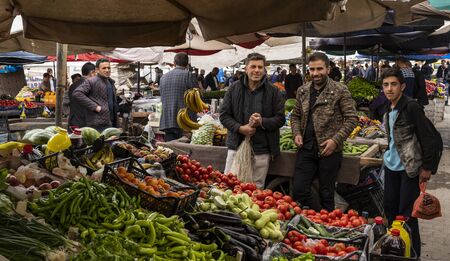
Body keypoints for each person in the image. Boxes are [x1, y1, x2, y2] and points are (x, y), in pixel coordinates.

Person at [381, 68, 440, 258]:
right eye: (386, 85)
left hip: (410, 169)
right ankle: (395, 249)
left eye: (394, 84)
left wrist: (427, 167)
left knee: (407, 216)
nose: (389, 89)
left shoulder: (411, 107)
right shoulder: (388, 107)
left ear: (402, 86)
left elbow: (429, 138)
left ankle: (413, 254)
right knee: (390, 210)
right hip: (391, 167)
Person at [291, 52, 357, 211]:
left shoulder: (340, 90)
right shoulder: (303, 90)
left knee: (327, 193)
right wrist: (296, 133)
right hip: (306, 148)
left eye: (319, 69)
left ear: (328, 69)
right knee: (299, 190)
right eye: (312, 69)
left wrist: (335, 141)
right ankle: (318, 216)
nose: (315, 73)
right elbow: (295, 116)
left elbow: (351, 118)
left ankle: (326, 224)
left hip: (329, 150)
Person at [220, 53, 285, 188]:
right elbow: (224, 115)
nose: (257, 70)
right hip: (236, 146)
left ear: (264, 69)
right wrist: (240, 128)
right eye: (253, 66)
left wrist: (262, 121)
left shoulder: (274, 91)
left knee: (256, 188)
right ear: (246, 68)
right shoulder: (234, 88)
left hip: (261, 149)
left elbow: (280, 119)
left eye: (260, 67)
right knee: (229, 185)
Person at [159, 53, 197, 141]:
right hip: (184, 121)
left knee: (170, 150)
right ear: (187, 64)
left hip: (167, 120)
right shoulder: (189, 75)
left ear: (174, 63)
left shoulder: (163, 77)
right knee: (183, 151)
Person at [72, 58, 118, 132]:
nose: (107, 70)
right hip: (97, 124)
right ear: (97, 70)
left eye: (108, 68)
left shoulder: (110, 82)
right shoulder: (91, 81)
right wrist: (95, 107)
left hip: (110, 122)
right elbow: (77, 93)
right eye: (104, 68)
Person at [64, 63, 97, 129]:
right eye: (95, 73)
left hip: (73, 121)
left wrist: (68, 114)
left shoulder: (72, 86)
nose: (96, 76)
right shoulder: (90, 86)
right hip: (86, 124)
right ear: (91, 72)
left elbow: (65, 102)